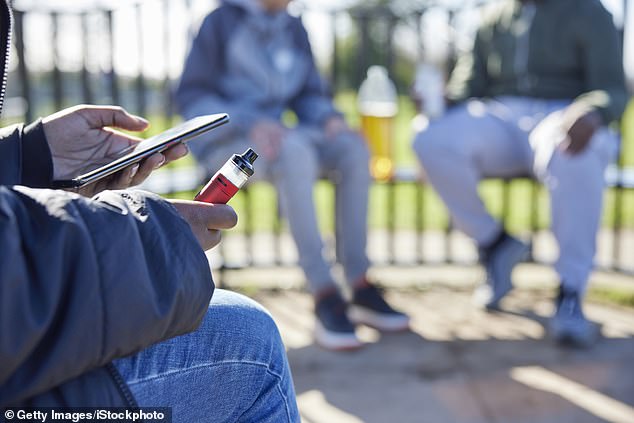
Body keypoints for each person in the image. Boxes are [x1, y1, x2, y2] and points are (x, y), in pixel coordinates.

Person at [0, 2, 300, 420]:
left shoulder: (293, 26)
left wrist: (27, 156)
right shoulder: (222, 22)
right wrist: (155, 237)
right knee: (249, 345)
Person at [176, 0, 410, 351]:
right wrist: (250, 120)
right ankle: (324, 292)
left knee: (352, 147)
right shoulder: (219, 22)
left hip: (282, 137)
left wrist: (328, 117)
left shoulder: (294, 28)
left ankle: (359, 283)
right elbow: (191, 98)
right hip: (228, 142)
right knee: (296, 151)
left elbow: (309, 96)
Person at [413, 0, 628, 347]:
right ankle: (496, 245)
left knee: (575, 151)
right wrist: (442, 99)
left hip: (562, 114)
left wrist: (593, 110)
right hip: (501, 116)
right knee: (429, 137)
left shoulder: (590, 11)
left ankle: (571, 290)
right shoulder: (492, 15)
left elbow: (612, 88)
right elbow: (470, 84)